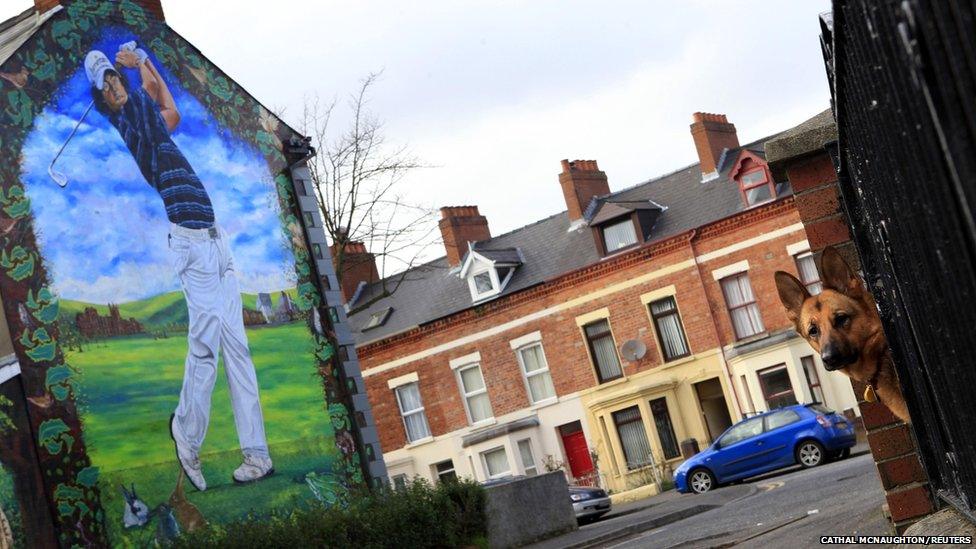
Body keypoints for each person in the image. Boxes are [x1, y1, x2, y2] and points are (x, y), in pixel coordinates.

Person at [84, 44, 273, 490]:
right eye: (107, 86)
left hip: (216, 241)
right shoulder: (131, 122)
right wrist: (142, 62)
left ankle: (257, 455)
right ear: (105, 102)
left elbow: (172, 110)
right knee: (205, 351)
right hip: (190, 245)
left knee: (238, 352)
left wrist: (143, 58)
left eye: (114, 79)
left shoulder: (154, 125)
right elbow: (154, 94)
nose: (114, 87)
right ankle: (186, 435)